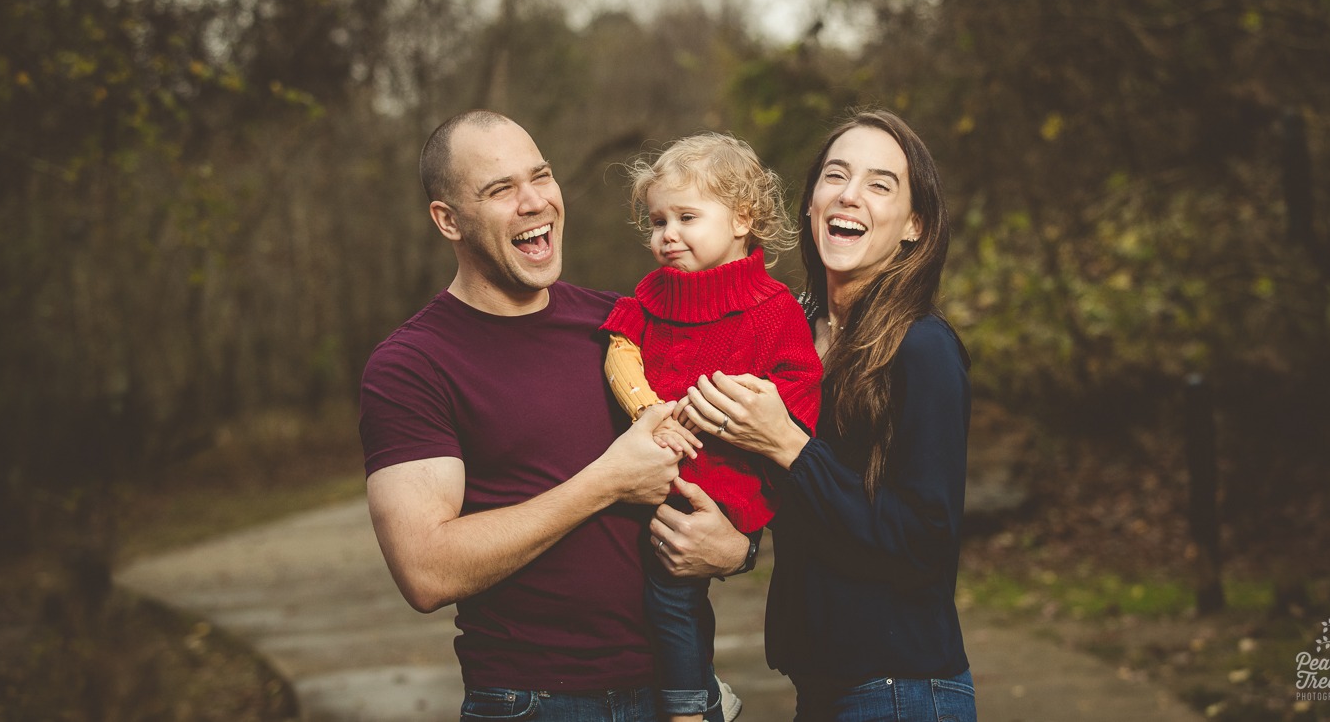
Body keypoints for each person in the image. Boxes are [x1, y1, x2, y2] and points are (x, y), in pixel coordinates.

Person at [358, 110, 746, 722]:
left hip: (679, 692)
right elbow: (424, 570)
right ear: (448, 219)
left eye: (540, 176)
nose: (533, 201)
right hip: (532, 701)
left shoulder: (624, 322)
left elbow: (727, 466)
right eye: (499, 190)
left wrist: (737, 549)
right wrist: (606, 481)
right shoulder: (412, 365)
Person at [674, 109, 978, 721]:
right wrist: (738, 546)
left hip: (903, 689)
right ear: (811, 204)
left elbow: (925, 547)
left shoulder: (923, 347)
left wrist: (788, 443)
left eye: (879, 183)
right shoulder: (790, 333)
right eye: (835, 175)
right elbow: (813, 517)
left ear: (914, 225)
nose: (849, 194)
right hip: (821, 687)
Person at [601, 133, 822, 722]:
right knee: (627, 588)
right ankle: (701, 688)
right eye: (657, 221)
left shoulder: (773, 307)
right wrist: (646, 405)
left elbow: (800, 384)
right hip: (653, 469)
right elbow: (620, 347)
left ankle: (688, 709)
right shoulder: (653, 293)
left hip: (722, 481)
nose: (666, 234)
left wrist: (749, 406)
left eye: (686, 217)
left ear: (742, 219)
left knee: (673, 595)